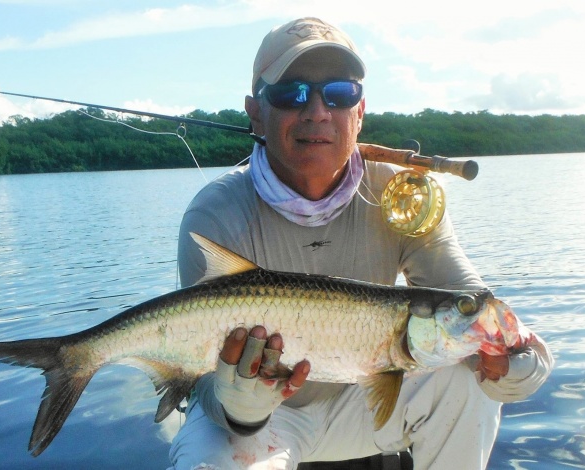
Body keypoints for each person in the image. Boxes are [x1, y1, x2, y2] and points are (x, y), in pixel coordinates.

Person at [169, 17, 553, 470]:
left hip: (361, 404)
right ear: (256, 111)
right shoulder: (215, 214)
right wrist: (242, 404)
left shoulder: (404, 198)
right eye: (291, 93)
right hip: (263, 423)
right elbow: (198, 384)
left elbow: (466, 301)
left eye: (339, 93)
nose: (317, 111)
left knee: (463, 382)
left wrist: (518, 363)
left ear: (361, 110)